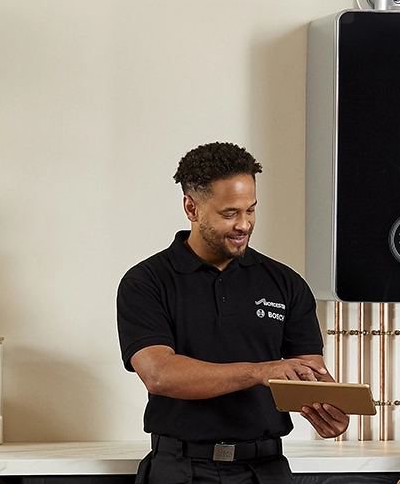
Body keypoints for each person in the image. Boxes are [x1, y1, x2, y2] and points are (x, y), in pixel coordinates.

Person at [117, 142, 349, 484]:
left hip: (266, 470)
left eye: (251, 210)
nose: (244, 224)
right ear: (191, 208)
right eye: (229, 213)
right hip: (179, 470)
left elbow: (307, 374)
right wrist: (259, 372)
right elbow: (159, 374)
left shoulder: (286, 283)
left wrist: (329, 410)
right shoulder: (146, 282)